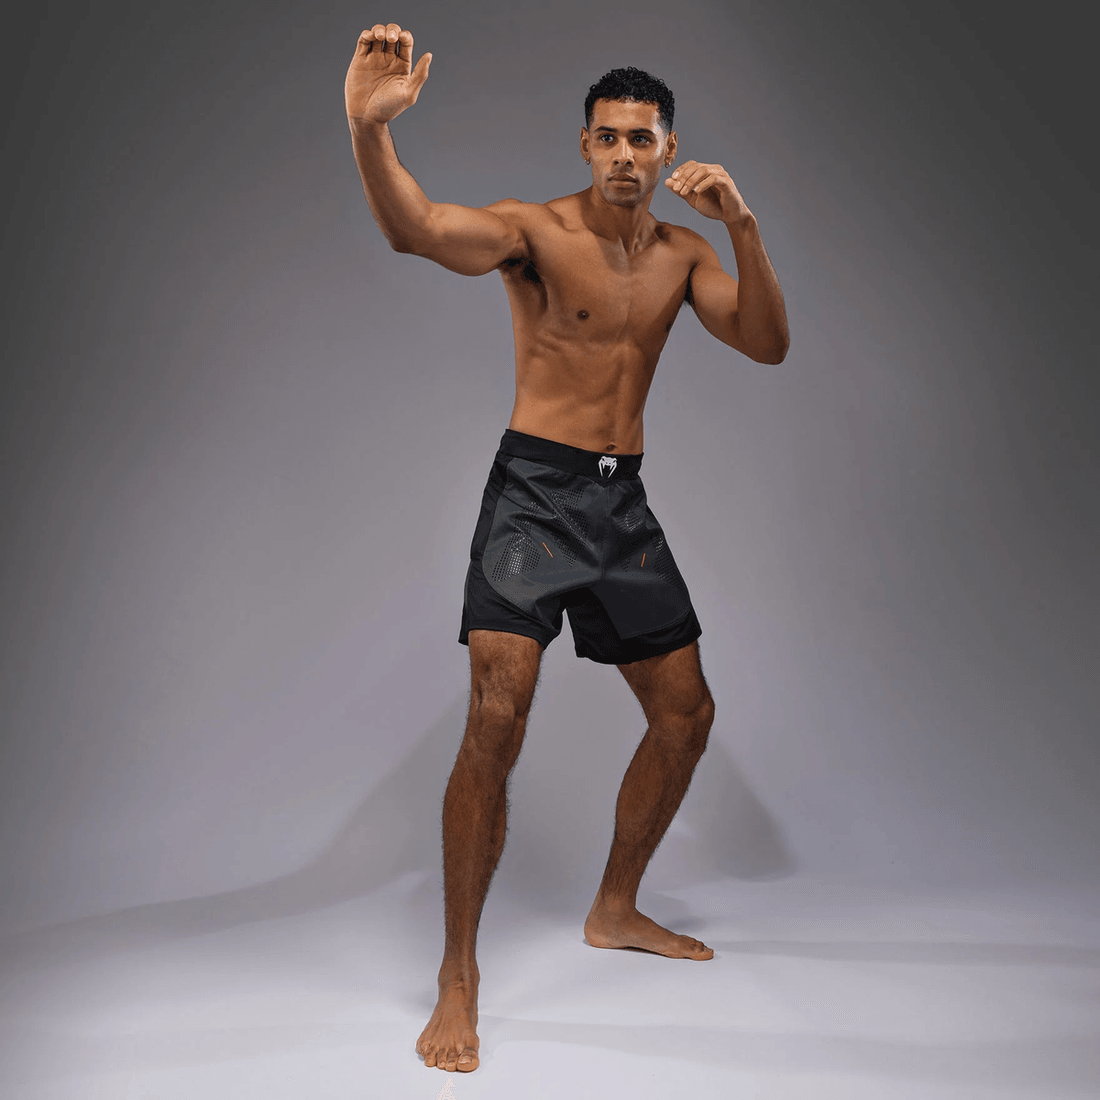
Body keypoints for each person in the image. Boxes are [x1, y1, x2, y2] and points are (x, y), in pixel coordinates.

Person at [345, 22, 789, 1074]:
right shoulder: (533, 232)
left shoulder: (684, 254)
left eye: (643, 138)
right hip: (535, 502)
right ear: (585, 145)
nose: (625, 155)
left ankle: (614, 907)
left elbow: (767, 343)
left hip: (619, 505)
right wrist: (368, 133)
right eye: (607, 137)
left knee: (686, 716)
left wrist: (744, 226)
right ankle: (458, 974)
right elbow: (418, 231)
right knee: (496, 717)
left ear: (668, 146)